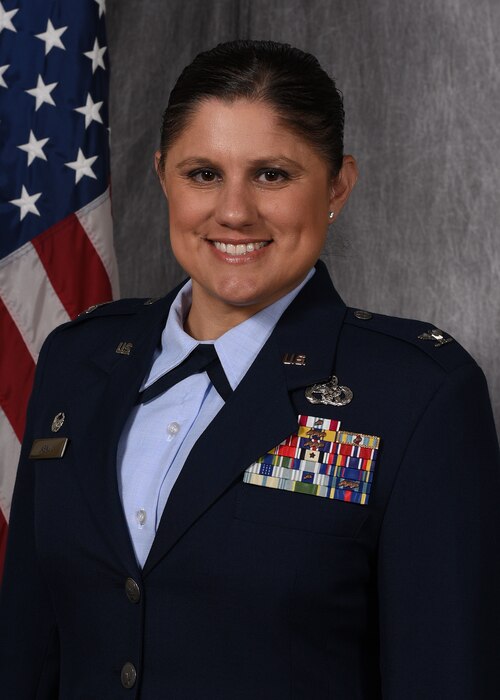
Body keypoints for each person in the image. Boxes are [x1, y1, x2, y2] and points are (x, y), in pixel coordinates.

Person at [0, 39, 499, 700]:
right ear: (162, 177)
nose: (234, 211)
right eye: (203, 173)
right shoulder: (77, 361)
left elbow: (446, 676)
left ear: (337, 187)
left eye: (272, 174)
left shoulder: (417, 396)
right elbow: (27, 657)